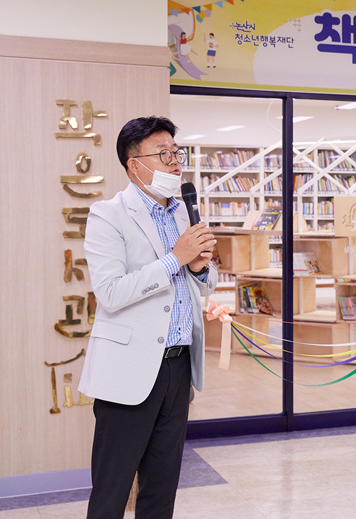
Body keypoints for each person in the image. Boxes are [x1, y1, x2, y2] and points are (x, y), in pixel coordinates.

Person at [79, 116, 218, 518]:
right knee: (111, 493)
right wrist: (177, 258)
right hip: (129, 368)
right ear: (134, 164)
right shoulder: (107, 215)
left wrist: (199, 270)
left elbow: (201, 284)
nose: (175, 162)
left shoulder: (183, 214)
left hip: (178, 366)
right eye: (163, 154)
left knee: (161, 489)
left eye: (177, 153)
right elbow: (110, 293)